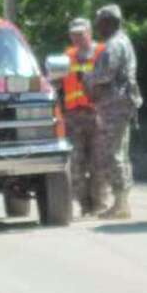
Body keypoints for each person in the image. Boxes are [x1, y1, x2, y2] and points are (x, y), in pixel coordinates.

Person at [85, 3, 142, 219]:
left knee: (112, 153)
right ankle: (121, 202)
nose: (97, 27)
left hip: (114, 105)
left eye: (100, 23)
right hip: (120, 104)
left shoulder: (114, 45)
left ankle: (120, 204)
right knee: (119, 153)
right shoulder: (123, 41)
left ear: (109, 23)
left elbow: (105, 74)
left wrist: (87, 78)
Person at [62, 17, 105, 217]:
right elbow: (54, 82)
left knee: (99, 163)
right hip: (73, 118)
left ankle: (99, 204)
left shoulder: (102, 53)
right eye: (73, 34)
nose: (77, 38)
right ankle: (85, 205)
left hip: (98, 115)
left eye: (80, 34)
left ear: (89, 32)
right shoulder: (67, 56)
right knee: (75, 164)